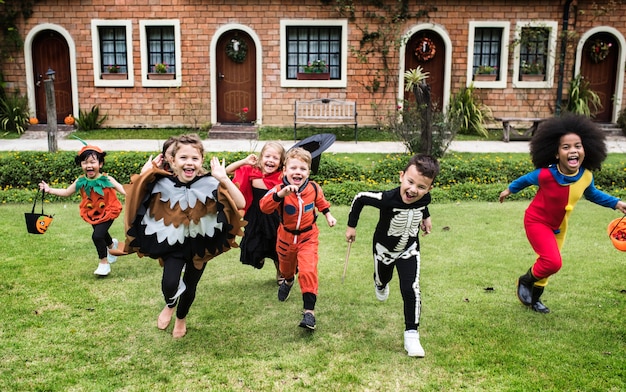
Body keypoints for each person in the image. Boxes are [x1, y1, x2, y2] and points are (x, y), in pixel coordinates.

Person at [499, 114, 626, 314]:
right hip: (537, 221)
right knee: (552, 261)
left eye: (578, 146)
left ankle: (535, 300)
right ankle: (525, 280)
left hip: (560, 226)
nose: (573, 150)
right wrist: (509, 190)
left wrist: (616, 203)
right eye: (566, 147)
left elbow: (592, 194)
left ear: (586, 149)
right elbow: (525, 179)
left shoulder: (585, 176)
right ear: (556, 153)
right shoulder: (546, 174)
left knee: (548, 263)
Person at [122, 134, 245, 338]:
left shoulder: (210, 183)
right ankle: (170, 303)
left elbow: (240, 203)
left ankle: (181, 317)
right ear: (172, 161)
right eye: (183, 158)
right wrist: (144, 175)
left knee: (190, 284)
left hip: (202, 244)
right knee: (170, 283)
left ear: (201, 160)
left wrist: (223, 178)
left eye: (195, 158)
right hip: (173, 243)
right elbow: (133, 195)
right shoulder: (160, 182)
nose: (189, 162)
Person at [345, 154, 440, 358]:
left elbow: (424, 204)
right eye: (410, 182)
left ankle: (411, 335)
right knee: (383, 278)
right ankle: (380, 283)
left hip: (409, 249)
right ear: (401, 176)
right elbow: (360, 198)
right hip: (384, 251)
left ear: (429, 189)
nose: (414, 190)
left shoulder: (425, 197)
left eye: (422, 187)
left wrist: (427, 217)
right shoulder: (387, 199)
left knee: (411, 287)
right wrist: (352, 226)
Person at [259, 147, 337, 330]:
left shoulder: (314, 189)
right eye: (293, 168)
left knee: (308, 270)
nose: (298, 172)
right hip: (286, 238)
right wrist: (281, 195)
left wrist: (328, 215)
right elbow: (264, 206)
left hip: (308, 237)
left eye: (303, 169)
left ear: (308, 172)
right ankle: (288, 280)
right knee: (286, 269)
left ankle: (309, 312)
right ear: (285, 170)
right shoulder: (278, 190)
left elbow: (321, 203)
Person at [39, 143, 126, 276]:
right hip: (91, 212)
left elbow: (124, 190)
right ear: (81, 165)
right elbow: (67, 192)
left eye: (93, 162)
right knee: (101, 232)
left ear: (100, 164)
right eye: (85, 163)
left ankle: (104, 263)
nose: (89, 165)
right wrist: (49, 190)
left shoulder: (107, 179)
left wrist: (139, 195)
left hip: (109, 210)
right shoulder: (80, 181)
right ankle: (111, 246)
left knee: (97, 235)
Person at [226, 142, 286, 284]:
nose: (271, 160)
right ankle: (259, 256)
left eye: (275, 158)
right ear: (261, 158)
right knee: (253, 243)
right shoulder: (252, 171)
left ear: (281, 162)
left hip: (274, 216)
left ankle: (281, 272)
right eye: (267, 156)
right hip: (254, 215)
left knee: (276, 244)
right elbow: (228, 170)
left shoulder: (281, 177)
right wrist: (245, 161)